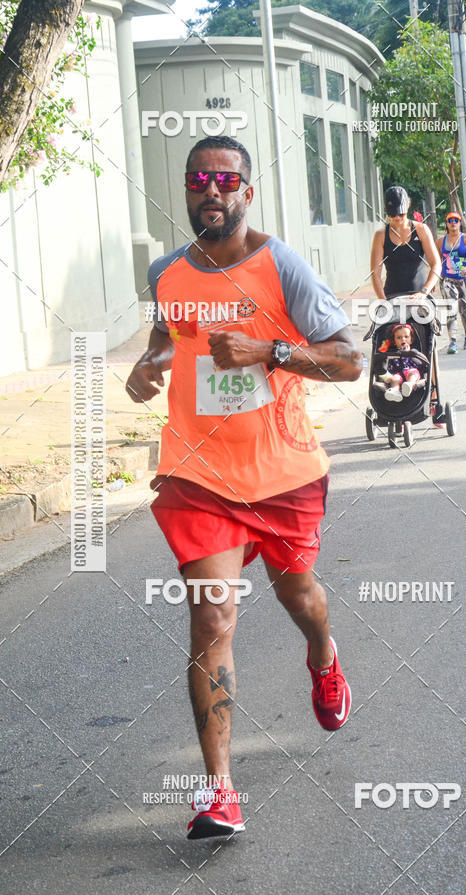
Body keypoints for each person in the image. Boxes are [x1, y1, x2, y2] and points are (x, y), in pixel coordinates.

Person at [126, 136, 359, 839]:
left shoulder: (281, 265)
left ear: (247, 193)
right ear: (187, 188)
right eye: (200, 178)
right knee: (212, 617)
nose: (212, 190)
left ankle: (324, 656)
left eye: (226, 181)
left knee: (300, 597)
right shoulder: (167, 273)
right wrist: (150, 364)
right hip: (199, 473)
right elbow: (169, 335)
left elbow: (349, 359)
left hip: (283, 472)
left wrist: (270, 351)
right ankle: (219, 791)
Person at [370, 185, 446, 425]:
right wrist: (383, 300)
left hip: (419, 298)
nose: (397, 218)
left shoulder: (420, 230)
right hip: (393, 298)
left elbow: (436, 265)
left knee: (427, 344)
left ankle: (433, 399)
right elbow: (375, 272)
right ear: (387, 212)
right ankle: (391, 401)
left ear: (408, 208)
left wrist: (424, 292)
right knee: (389, 345)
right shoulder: (381, 235)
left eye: (401, 214)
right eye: (392, 214)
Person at [435, 211, 466, 353]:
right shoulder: (440, 241)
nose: (453, 223)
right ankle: (452, 342)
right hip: (447, 280)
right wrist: (434, 279)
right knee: (451, 310)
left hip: (465, 281)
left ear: (460, 223)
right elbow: (435, 262)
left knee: (464, 311)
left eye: (456, 220)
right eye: (450, 220)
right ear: (446, 224)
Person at [373, 323, 426, 400]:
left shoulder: (414, 352)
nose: (403, 339)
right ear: (394, 341)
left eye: (406, 337)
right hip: (398, 373)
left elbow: (420, 363)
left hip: (411, 371)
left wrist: (409, 353)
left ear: (411, 340)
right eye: (399, 337)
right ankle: (395, 391)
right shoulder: (392, 354)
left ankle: (409, 386)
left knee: (412, 374)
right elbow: (388, 367)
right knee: (395, 379)